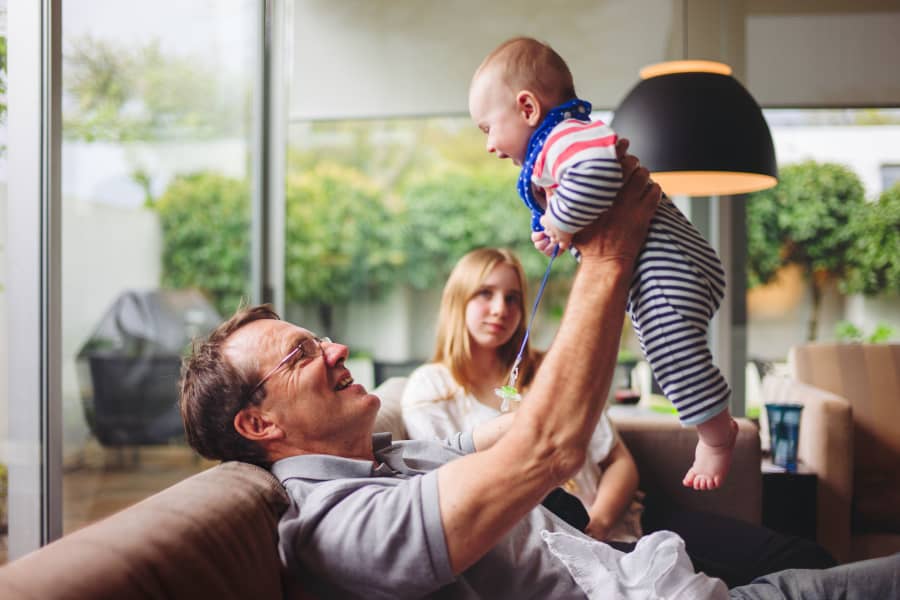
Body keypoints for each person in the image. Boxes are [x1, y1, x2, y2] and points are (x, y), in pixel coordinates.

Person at [179, 145, 900, 599]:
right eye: (303, 355)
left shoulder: (388, 459)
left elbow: (536, 429)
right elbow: (546, 450)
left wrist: (597, 243)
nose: (336, 351)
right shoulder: (343, 527)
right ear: (259, 422)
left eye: (321, 339)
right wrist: (609, 255)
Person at [401, 246, 836, 587]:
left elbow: (619, 462)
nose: (500, 309)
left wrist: (601, 522)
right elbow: (459, 491)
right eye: (485, 294)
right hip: (567, 551)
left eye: (512, 297)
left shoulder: (546, 371)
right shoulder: (432, 390)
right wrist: (585, 539)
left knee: (803, 559)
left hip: (631, 521)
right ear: (457, 301)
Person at [469, 36, 737, 490]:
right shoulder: (557, 146)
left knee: (672, 355)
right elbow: (590, 204)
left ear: (528, 108)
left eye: (487, 128)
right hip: (664, 271)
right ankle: (713, 430)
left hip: (671, 267)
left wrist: (558, 220)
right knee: (661, 354)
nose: (490, 146)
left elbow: (598, 172)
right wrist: (558, 232)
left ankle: (717, 437)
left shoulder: (564, 137)